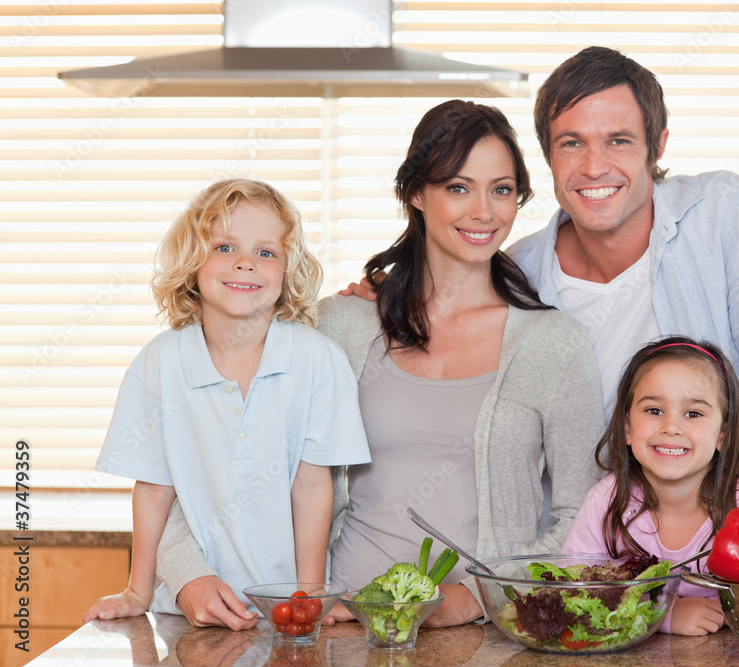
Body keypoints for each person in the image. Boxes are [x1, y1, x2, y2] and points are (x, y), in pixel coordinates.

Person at [344, 47, 739, 525]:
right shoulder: (518, 276)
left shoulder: (725, 218)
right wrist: (384, 298)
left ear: (658, 145)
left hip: (722, 560)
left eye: (618, 140)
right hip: (588, 575)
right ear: (548, 157)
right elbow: (445, 314)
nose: (593, 167)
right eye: (572, 143)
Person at [154, 101, 607, 630]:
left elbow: (585, 518)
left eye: (501, 189)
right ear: (416, 193)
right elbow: (203, 454)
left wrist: (484, 598)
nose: (484, 211)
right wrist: (187, 574)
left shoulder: (554, 344)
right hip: (333, 624)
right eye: (458, 188)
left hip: (480, 640)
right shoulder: (341, 326)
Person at [82, 179, 371, 624]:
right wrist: (137, 592)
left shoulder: (318, 360)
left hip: (286, 611)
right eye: (224, 248)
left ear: (286, 271)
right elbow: (155, 489)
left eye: (266, 252)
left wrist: (307, 598)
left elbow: (314, 487)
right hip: (189, 615)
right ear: (191, 262)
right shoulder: (159, 362)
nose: (245, 264)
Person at [562, 336, 739, 636]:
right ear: (627, 428)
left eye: (693, 413)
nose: (671, 426)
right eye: (654, 410)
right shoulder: (607, 500)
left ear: (724, 436)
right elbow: (571, 594)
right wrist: (662, 616)